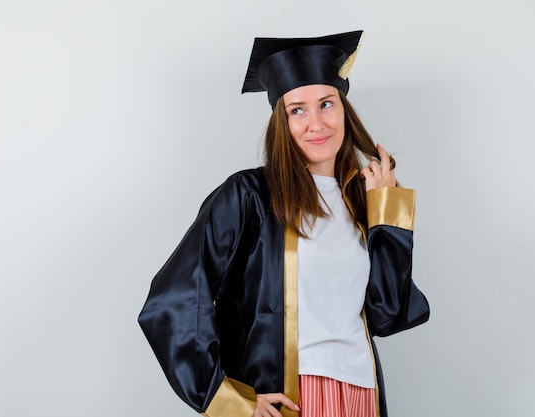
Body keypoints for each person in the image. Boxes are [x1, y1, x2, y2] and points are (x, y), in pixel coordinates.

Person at [138, 30, 429, 417]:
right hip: (291, 397)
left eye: (326, 103)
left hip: (361, 395)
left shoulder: (362, 201)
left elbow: (386, 314)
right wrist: (230, 400)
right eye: (297, 110)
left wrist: (386, 211)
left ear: (344, 109)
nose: (316, 123)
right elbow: (173, 299)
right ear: (281, 121)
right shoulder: (250, 196)